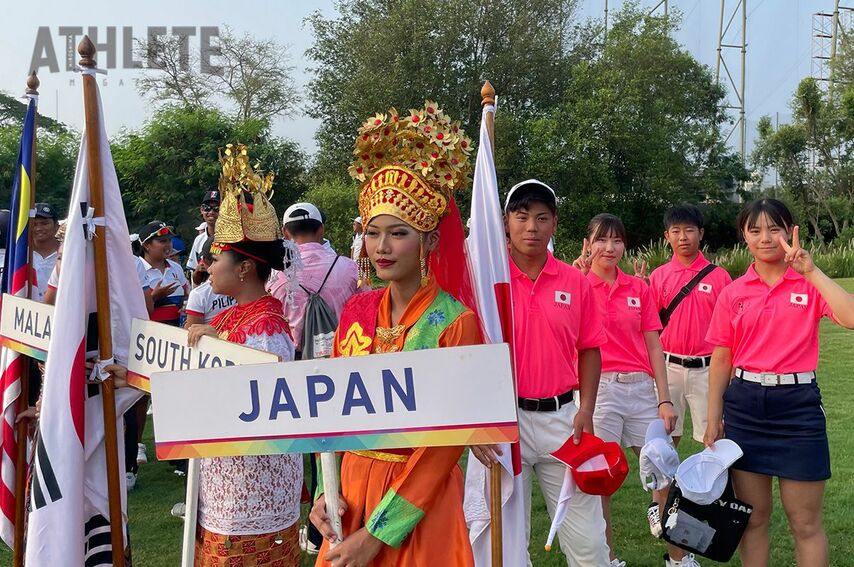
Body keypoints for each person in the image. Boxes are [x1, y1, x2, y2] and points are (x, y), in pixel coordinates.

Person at [309, 101, 479, 566]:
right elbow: (333, 410)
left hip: (418, 502)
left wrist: (378, 535)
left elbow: (443, 446)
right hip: (353, 489)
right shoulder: (357, 312)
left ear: (429, 241)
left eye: (398, 233)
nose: (381, 247)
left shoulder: (453, 323)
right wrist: (326, 491)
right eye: (372, 233)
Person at [705, 198, 854, 567]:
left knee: (804, 522)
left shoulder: (806, 281)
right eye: (755, 230)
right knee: (753, 518)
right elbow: (721, 359)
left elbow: (851, 317)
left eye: (774, 228)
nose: (765, 237)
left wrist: (812, 271)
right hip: (745, 407)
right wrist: (713, 418)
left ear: (790, 231)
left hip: (798, 407)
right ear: (744, 236)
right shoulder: (733, 292)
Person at [472, 179, 613, 566]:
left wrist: (586, 409)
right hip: (504, 421)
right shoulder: (486, 279)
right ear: (505, 222)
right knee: (504, 540)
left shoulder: (573, 281)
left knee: (587, 541)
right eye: (521, 217)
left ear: (554, 223)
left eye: (541, 218)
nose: (531, 227)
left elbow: (589, 348)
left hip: (562, 420)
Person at [186, 143, 302, 566]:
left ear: (245, 269)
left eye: (218, 259)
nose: (209, 267)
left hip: (252, 486)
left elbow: (259, 410)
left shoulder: (266, 329)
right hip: (224, 480)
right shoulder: (236, 318)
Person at [573, 213, 679, 567]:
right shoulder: (577, 285)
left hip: (641, 390)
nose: (610, 247)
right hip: (600, 393)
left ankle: (678, 558)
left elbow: (653, 345)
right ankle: (609, 559)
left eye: (616, 240)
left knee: (663, 470)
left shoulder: (639, 288)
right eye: (602, 240)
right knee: (601, 480)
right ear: (588, 244)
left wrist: (664, 398)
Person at [268, 201, 360, 555]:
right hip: (342, 363)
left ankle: (315, 525)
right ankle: (343, 516)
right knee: (345, 445)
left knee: (308, 447)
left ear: (286, 234)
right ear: (321, 231)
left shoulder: (278, 274)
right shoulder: (347, 267)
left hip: (295, 366)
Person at [648, 205, 732, 448]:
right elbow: (649, 328)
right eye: (675, 231)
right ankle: (666, 486)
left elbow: (730, 331)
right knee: (663, 440)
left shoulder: (719, 277)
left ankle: (712, 487)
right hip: (667, 368)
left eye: (689, 230)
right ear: (667, 236)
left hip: (708, 369)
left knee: (714, 436)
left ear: (701, 233)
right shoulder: (659, 276)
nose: (682, 237)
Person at [134, 221, 189, 326]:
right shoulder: (135, 269)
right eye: (163, 241)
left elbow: (187, 294)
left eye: (169, 240)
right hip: (149, 332)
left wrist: (185, 305)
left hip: (178, 329)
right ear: (146, 246)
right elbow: (131, 308)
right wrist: (154, 297)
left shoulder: (176, 267)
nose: (168, 245)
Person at [184, 236, 235, 327]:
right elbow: (192, 333)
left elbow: (191, 334)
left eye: (216, 260)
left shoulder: (199, 294)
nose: (210, 269)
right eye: (213, 260)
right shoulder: (199, 294)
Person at [187, 191, 221, 286]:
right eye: (207, 208)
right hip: (206, 293)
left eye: (216, 209)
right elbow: (195, 280)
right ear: (201, 210)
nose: (211, 212)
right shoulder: (199, 240)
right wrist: (198, 270)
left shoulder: (233, 237)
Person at [31, 202, 60, 303]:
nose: (38, 228)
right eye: (34, 224)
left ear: (56, 226)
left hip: (59, 312)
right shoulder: (22, 256)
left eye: (44, 223)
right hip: (26, 314)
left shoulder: (65, 254)